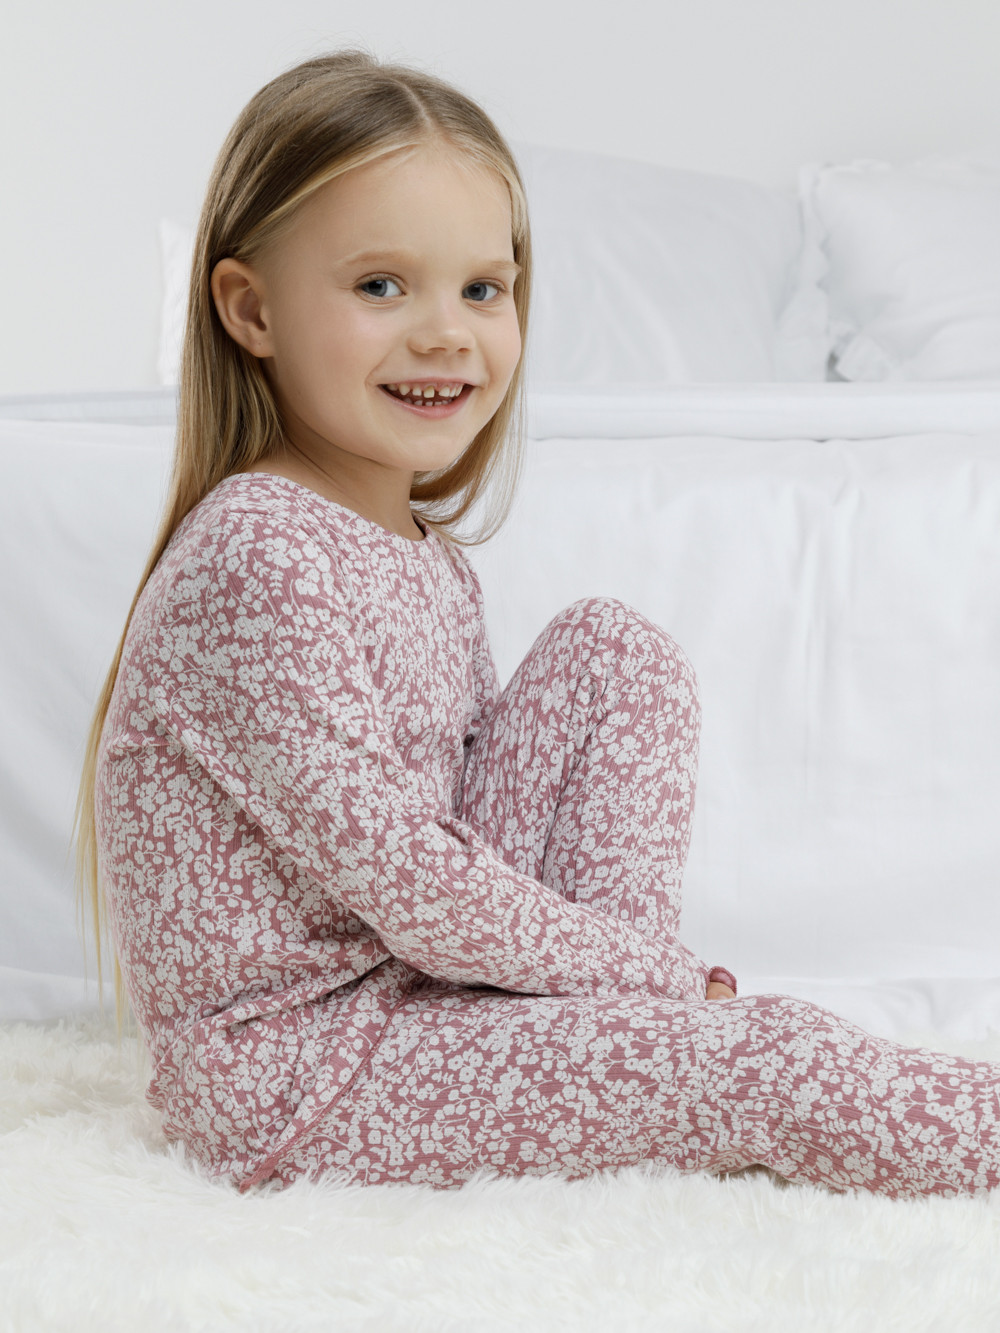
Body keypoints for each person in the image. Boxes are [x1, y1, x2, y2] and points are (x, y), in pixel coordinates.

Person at [75, 50, 1000, 1198]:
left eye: (483, 289)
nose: (446, 333)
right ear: (250, 310)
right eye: (381, 286)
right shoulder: (257, 555)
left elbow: (459, 835)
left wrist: (633, 987)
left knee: (614, 652)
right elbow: (418, 884)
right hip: (303, 1076)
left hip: (421, 989)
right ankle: (693, 1054)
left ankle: (631, 1045)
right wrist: (659, 982)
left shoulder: (424, 554)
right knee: (766, 1058)